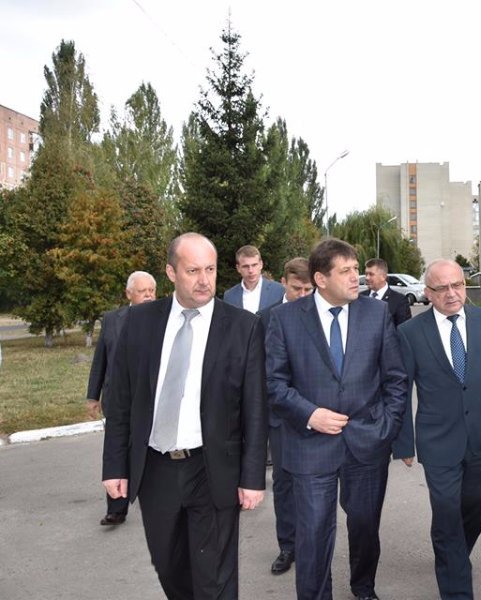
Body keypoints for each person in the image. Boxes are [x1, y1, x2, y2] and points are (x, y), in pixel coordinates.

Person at [102, 233, 268, 599]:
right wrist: (114, 466)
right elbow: (120, 401)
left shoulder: (242, 327)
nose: (204, 280)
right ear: (171, 272)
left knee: (214, 577)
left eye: (210, 269)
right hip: (155, 469)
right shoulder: (140, 322)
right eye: (193, 271)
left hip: (212, 469)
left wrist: (253, 477)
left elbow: (256, 408)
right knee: (169, 566)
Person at [266, 238, 407, 600]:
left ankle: (363, 588)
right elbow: (273, 383)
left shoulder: (376, 314)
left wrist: (387, 428)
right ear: (320, 279)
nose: (355, 277)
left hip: (367, 442)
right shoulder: (284, 319)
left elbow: (395, 378)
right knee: (313, 534)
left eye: (356, 269)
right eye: (345, 271)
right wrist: (310, 414)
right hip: (310, 445)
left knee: (365, 527)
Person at [393, 259, 481, 599]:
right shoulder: (410, 333)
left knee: (475, 508)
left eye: (457, 285)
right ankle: (456, 585)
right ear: (428, 293)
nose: (451, 293)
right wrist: (404, 444)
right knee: (446, 512)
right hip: (438, 440)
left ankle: (452, 553)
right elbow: (401, 390)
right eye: (441, 288)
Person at [86, 270, 157, 526]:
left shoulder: (164, 319)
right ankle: (116, 508)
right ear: (129, 294)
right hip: (117, 398)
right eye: (142, 291)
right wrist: (93, 396)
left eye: (152, 291)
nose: (148, 296)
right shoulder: (112, 320)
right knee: (117, 450)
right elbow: (100, 360)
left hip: (151, 399)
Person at [261, 257, 313, 576]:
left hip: (317, 416)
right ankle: (288, 546)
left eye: (308, 289)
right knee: (283, 484)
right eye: (297, 289)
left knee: (315, 483)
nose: (303, 295)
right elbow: (257, 371)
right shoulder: (264, 318)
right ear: (283, 282)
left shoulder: (323, 314)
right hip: (280, 418)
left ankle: (313, 543)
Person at [223, 244, 285, 313]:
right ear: (238, 268)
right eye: (245, 266)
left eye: (254, 265)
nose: (251, 270)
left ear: (261, 264)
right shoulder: (229, 296)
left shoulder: (279, 290)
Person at [362, 258, 411, 327]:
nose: (367, 278)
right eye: (366, 274)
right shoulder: (360, 297)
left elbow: (403, 329)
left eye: (371, 274)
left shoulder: (399, 301)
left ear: (383, 277)